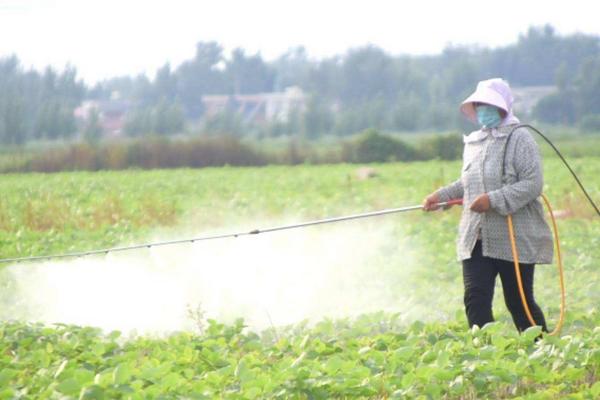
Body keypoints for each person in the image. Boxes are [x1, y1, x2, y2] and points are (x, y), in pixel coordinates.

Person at [423, 78, 553, 332]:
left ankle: (542, 352)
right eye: (480, 105)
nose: (484, 109)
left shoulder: (520, 137)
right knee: (475, 298)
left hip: (514, 236)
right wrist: (439, 196)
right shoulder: (474, 142)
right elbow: (467, 183)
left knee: (518, 302)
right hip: (477, 236)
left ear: (504, 107)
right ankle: (484, 354)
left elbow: (532, 183)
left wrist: (492, 200)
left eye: (489, 105)